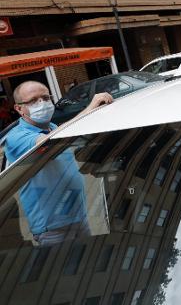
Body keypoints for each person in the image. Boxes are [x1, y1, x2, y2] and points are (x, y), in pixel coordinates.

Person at [4, 81, 113, 244]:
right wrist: (90, 108)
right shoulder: (17, 136)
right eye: (33, 100)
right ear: (19, 109)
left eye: (46, 97)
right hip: (53, 228)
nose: (42, 103)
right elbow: (50, 142)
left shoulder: (52, 126)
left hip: (79, 218)